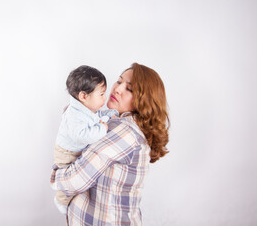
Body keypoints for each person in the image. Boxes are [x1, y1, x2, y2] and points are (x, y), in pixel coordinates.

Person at [50, 63, 170, 225]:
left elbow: (74, 180)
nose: (118, 89)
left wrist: (56, 176)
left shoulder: (123, 130)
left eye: (130, 89)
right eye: (119, 81)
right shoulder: (118, 122)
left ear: (144, 101)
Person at [53, 65, 119, 214]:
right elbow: (82, 135)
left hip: (75, 150)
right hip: (66, 153)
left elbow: (97, 117)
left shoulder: (86, 108)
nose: (105, 98)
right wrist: (102, 128)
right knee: (70, 181)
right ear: (83, 96)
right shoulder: (74, 114)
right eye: (101, 94)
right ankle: (61, 200)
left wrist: (111, 113)